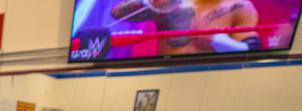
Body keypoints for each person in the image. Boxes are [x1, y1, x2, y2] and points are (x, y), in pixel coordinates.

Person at [110, 0, 260, 56]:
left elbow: (253, 50)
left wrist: (215, 40)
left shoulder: (238, 5)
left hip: (214, 77)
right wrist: (147, 2)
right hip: (162, 77)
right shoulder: (172, 3)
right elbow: (118, 13)